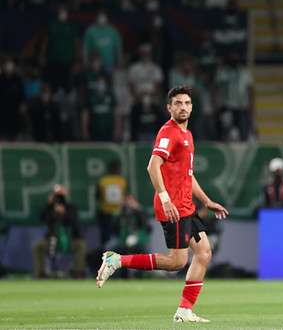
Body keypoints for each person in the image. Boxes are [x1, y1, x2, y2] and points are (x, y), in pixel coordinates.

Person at [96, 86, 229, 323]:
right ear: (169, 107)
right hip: (173, 206)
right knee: (177, 262)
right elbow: (152, 166)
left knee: (204, 252)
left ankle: (185, 310)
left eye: (187, 103)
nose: (183, 107)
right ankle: (116, 260)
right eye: (177, 103)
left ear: (192, 107)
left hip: (186, 205)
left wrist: (206, 201)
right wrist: (166, 198)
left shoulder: (187, 135)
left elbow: (188, 174)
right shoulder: (169, 132)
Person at [32, 185, 86, 278]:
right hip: (52, 240)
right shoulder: (49, 208)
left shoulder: (71, 208)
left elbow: (75, 223)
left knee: (81, 245)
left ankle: (78, 272)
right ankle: (40, 273)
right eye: (57, 196)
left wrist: (64, 213)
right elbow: (41, 218)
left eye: (61, 196)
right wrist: (49, 205)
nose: (59, 199)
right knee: (37, 247)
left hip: (70, 240)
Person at [96, 160, 127, 246]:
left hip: (105, 212)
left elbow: (98, 196)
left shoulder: (103, 181)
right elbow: (125, 195)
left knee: (106, 236)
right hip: (118, 213)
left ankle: (105, 254)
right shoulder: (122, 181)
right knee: (117, 236)